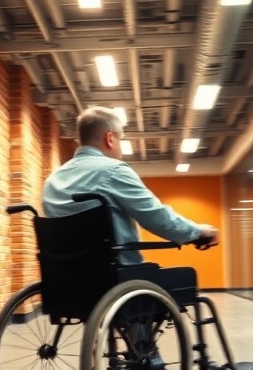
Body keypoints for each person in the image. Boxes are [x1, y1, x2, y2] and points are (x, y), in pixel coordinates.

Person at [42, 105, 220, 304]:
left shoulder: (52, 180)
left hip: (65, 280)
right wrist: (196, 232)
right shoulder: (113, 170)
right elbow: (155, 216)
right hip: (115, 277)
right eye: (121, 139)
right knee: (186, 279)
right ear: (110, 138)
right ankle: (140, 334)